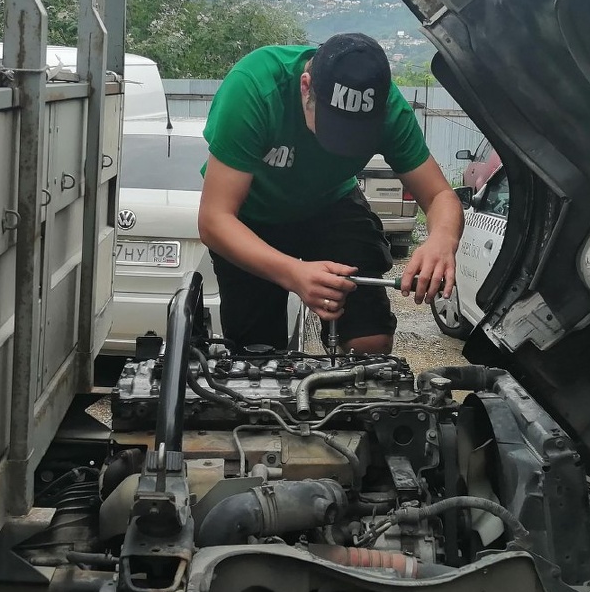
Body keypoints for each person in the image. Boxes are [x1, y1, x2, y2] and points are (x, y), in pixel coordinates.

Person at [197, 32, 464, 355]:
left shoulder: (391, 111)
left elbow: (439, 196)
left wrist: (441, 240)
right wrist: (294, 273)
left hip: (331, 204)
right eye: (334, 127)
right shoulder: (255, 87)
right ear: (305, 87)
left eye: (357, 134)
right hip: (252, 218)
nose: (341, 145)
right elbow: (215, 219)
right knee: (258, 358)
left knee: (369, 342)